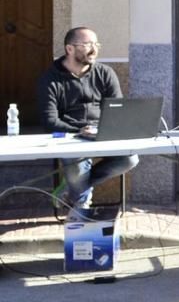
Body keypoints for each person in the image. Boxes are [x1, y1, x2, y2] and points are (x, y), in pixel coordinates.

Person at [37, 27, 139, 215]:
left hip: (102, 132)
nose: (94, 49)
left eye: (96, 44)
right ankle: (81, 209)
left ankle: (71, 187)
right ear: (69, 49)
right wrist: (81, 130)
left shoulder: (105, 73)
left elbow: (118, 109)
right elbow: (50, 121)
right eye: (87, 45)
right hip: (70, 136)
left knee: (130, 158)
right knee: (77, 167)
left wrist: (100, 129)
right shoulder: (49, 79)